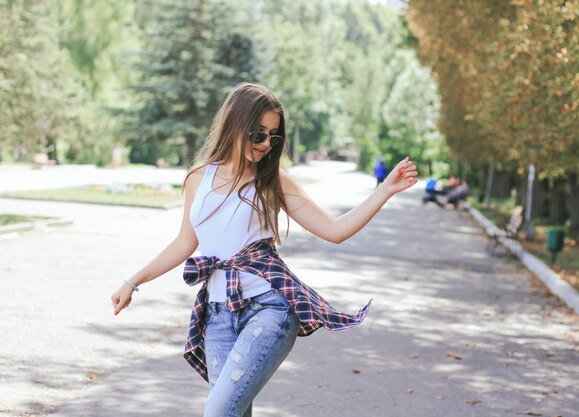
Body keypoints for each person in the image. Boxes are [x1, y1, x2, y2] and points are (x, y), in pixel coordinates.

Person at [110, 82, 418, 417]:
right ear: (235, 124)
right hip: (217, 315)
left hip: (268, 310)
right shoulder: (198, 178)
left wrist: (385, 190)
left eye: (273, 137)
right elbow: (185, 243)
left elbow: (334, 230)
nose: (265, 144)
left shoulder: (273, 183)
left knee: (218, 413)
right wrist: (133, 282)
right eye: (258, 134)